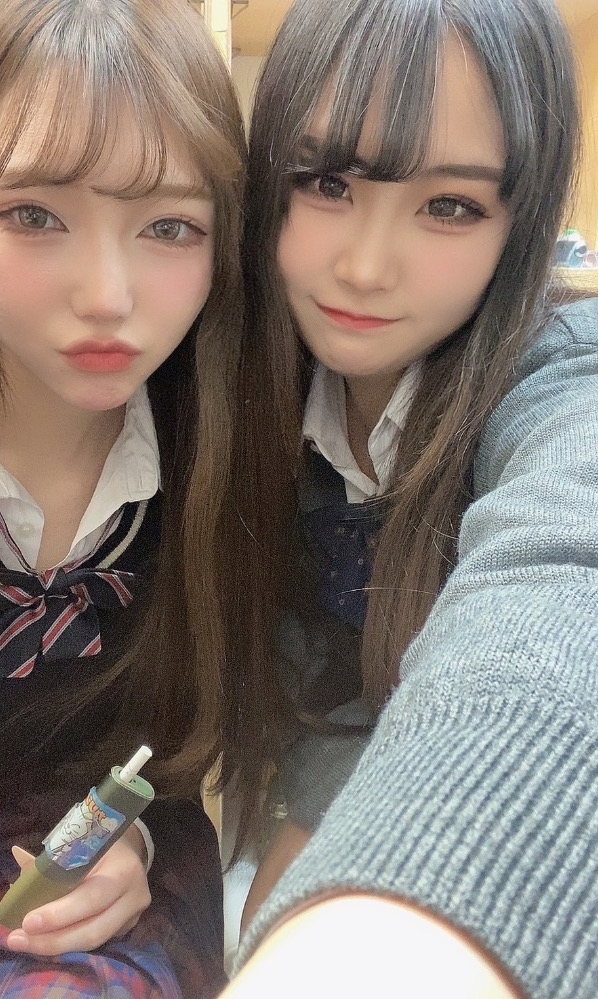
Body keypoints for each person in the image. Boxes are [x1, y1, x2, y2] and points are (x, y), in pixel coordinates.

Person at [0, 0, 250, 996]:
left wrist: (137, 847)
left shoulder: (223, 464)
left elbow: (172, 769)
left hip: (92, 873)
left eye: (169, 226)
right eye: (35, 215)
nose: (107, 294)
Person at [223, 0, 598, 996]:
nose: (364, 267)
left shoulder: (559, 379)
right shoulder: (232, 372)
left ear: (522, 223)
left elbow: (567, 583)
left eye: (451, 206)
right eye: (327, 182)